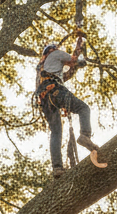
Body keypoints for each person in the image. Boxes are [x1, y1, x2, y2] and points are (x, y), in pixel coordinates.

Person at [35, 36, 97, 177]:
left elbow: (68, 73)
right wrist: (80, 58)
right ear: (52, 50)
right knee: (83, 108)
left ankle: (57, 168)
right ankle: (85, 135)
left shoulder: (42, 69)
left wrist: (78, 47)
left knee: (56, 132)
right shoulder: (55, 54)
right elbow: (73, 61)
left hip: (45, 100)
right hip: (55, 91)